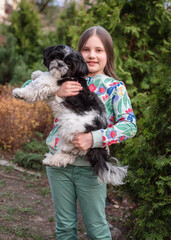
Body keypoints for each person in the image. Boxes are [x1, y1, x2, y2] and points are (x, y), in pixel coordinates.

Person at [46, 26, 137, 240]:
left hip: (91, 167)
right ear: (77, 54)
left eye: (99, 50)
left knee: (96, 228)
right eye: (86, 49)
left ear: (108, 55)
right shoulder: (62, 79)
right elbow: (30, 85)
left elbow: (130, 125)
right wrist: (56, 90)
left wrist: (94, 138)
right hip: (58, 163)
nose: (92, 55)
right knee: (64, 227)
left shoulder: (116, 87)